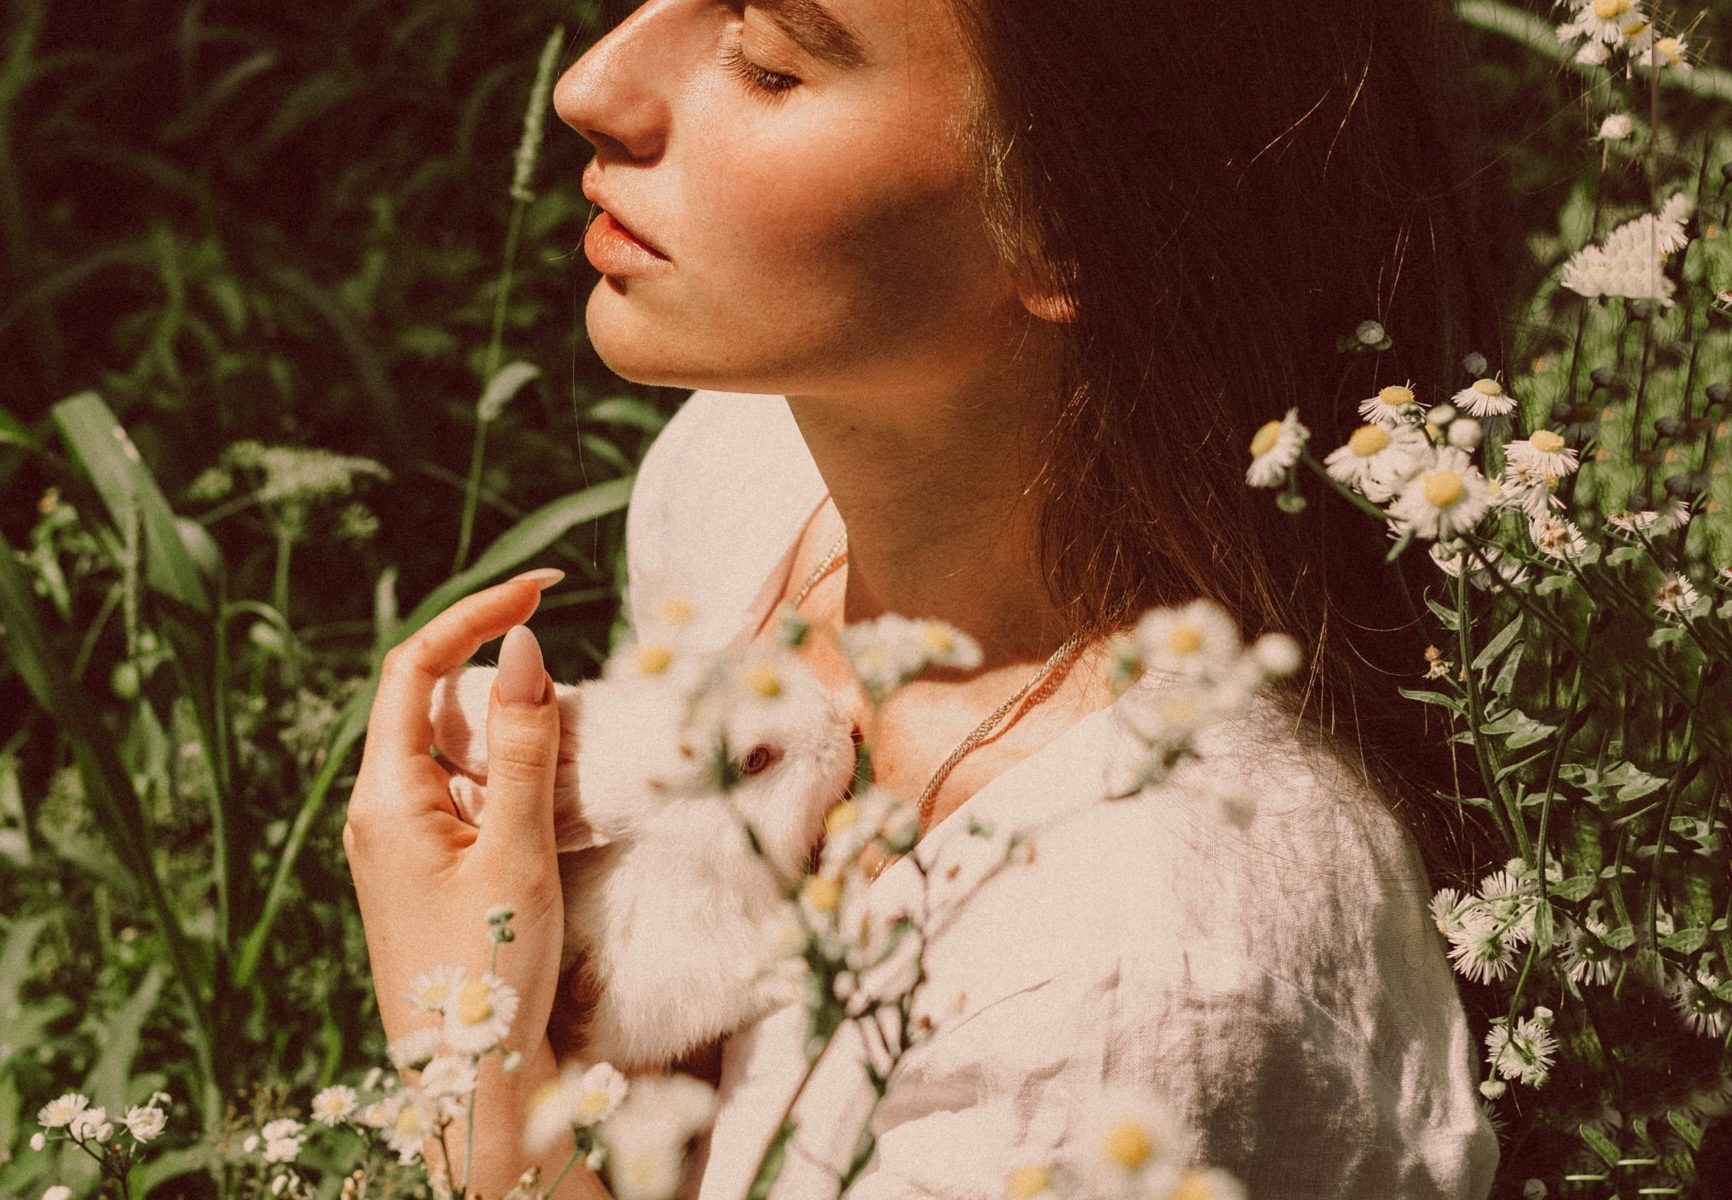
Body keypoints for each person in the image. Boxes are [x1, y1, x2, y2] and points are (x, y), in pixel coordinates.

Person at [344, 0, 1504, 1196]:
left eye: (769, 61)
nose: (589, 84)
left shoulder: (1125, 991)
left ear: (1065, 219)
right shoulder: (741, 475)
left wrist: (474, 1071)